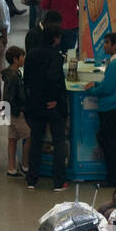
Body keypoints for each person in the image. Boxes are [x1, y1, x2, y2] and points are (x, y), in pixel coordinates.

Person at [20, 24, 71, 191]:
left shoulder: (31, 54)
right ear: (55, 39)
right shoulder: (55, 56)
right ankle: (58, 181)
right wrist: (55, 100)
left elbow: (26, 80)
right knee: (58, 141)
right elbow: (53, 79)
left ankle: (32, 179)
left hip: (35, 104)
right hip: (52, 106)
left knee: (35, 140)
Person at [85, 32, 116, 188]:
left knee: (107, 141)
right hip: (113, 108)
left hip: (110, 108)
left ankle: (115, 175)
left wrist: (91, 90)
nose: (104, 45)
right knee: (108, 140)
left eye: (107, 43)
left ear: (115, 45)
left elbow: (107, 88)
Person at [2, 45, 30, 177]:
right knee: (29, 136)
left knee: (12, 139)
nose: (24, 59)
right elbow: (9, 97)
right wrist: (18, 111)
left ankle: (11, 168)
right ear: (15, 59)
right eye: (22, 57)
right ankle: (25, 165)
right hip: (15, 113)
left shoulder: (11, 74)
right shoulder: (14, 77)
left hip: (10, 113)